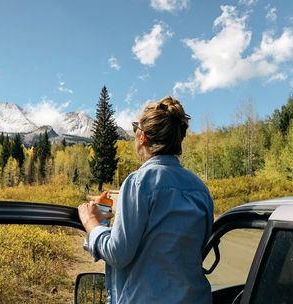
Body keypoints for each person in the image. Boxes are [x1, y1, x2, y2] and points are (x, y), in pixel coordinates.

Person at [78, 96, 214, 303]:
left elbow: (118, 254)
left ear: (142, 137)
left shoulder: (139, 182)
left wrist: (91, 222)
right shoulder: (200, 189)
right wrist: (105, 222)